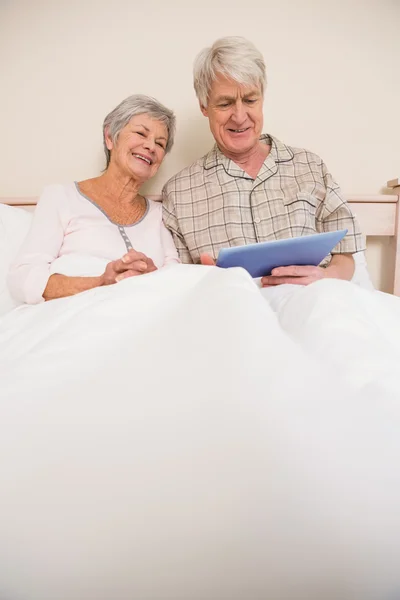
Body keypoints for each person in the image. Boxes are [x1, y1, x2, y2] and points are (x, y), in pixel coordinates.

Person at [162, 37, 365, 287]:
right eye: (225, 103)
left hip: (314, 306)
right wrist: (206, 282)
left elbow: (346, 254)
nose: (239, 116)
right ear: (204, 106)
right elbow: (180, 284)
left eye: (250, 100)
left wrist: (324, 276)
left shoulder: (309, 167)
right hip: (232, 314)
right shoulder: (179, 192)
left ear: (262, 98)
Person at [8, 95, 179, 304]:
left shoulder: (160, 214)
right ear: (110, 137)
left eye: (160, 144)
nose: (151, 146)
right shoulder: (61, 197)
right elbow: (22, 279)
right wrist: (101, 283)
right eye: (140, 133)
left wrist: (153, 276)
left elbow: (175, 281)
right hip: (74, 321)